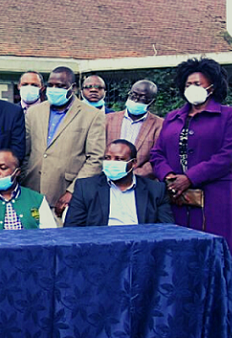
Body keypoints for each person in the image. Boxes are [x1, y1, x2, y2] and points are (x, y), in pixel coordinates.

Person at [150, 58, 232, 281]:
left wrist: (190, 177)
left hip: (216, 196)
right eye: (188, 84)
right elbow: (157, 153)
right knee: (178, 259)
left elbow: (229, 154)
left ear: (211, 87)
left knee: (214, 259)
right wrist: (169, 176)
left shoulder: (229, 115)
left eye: (197, 83)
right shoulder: (173, 117)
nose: (192, 88)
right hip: (175, 195)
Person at [22, 66, 106, 220]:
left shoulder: (92, 115)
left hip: (64, 195)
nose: (54, 89)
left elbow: (95, 159)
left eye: (60, 86)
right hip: (31, 190)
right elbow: (25, 152)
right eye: (51, 85)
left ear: (72, 88)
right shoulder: (34, 112)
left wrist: (73, 191)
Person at [64, 140, 173, 227]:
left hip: (141, 248)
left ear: (133, 163)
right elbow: (72, 228)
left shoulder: (155, 190)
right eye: (107, 158)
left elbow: (167, 229)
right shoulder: (86, 188)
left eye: (119, 159)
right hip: (100, 247)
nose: (112, 163)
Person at [105, 80, 163, 179]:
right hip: (107, 177)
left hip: (140, 181)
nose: (136, 99)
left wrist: (134, 174)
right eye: (133, 95)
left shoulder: (159, 125)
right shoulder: (108, 119)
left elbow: (157, 157)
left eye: (143, 97)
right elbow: (98, 149)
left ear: (152, 101)